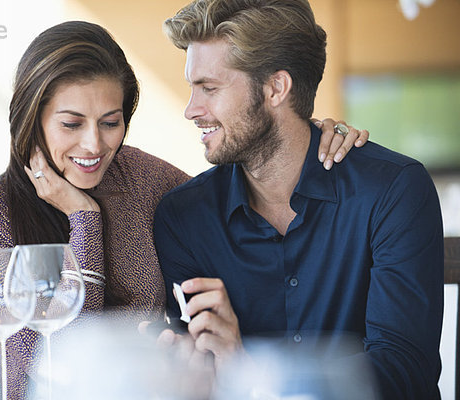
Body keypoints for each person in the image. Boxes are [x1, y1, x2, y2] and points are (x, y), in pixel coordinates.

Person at [0, 21, 367, 399]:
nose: (94, 146)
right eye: (71, 124)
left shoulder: (149, 182)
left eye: (110, 122)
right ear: (31, 118)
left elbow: (244, 190)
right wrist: (83, 219)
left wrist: (310, 137)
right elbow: (46, 370)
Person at [153, 1, 444, 399]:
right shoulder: (184, 217)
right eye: (192, 88)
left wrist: (251, 370)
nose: (192, 110)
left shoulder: (392, 191)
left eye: (209, 88)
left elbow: (404, 371)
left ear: (276, 88)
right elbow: (199, 375)